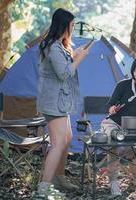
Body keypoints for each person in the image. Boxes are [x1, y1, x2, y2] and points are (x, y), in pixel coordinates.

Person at [36, 8, 92, 196]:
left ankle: (59, 179)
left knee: (66, 140)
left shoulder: (59, 45)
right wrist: (80, 59)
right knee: (58, 144)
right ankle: (44, 188)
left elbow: (64, 67)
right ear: (63, 25)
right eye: (72, 25)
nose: (74, 28)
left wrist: (73, 55)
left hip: (60, 101)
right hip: (54, 102)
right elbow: (64, 73)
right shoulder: (52, 47)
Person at [101, 55, 136, 196]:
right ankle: (114, 182)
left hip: (132, 127)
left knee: (133, 148)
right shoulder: (123, 85)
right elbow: (109, 105)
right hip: (112, 123)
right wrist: (112, 109)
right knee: (114, 144)